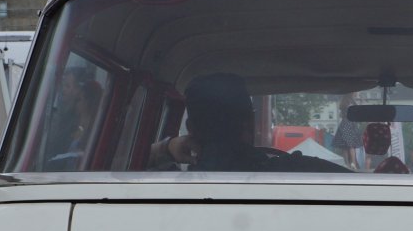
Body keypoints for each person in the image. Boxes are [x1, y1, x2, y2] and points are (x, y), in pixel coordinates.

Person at [150, 73, 350, 173]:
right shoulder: (301, 172)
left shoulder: (157, 184)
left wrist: (166, 148)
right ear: (250, 123)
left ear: (191, 127)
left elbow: (123, 163)